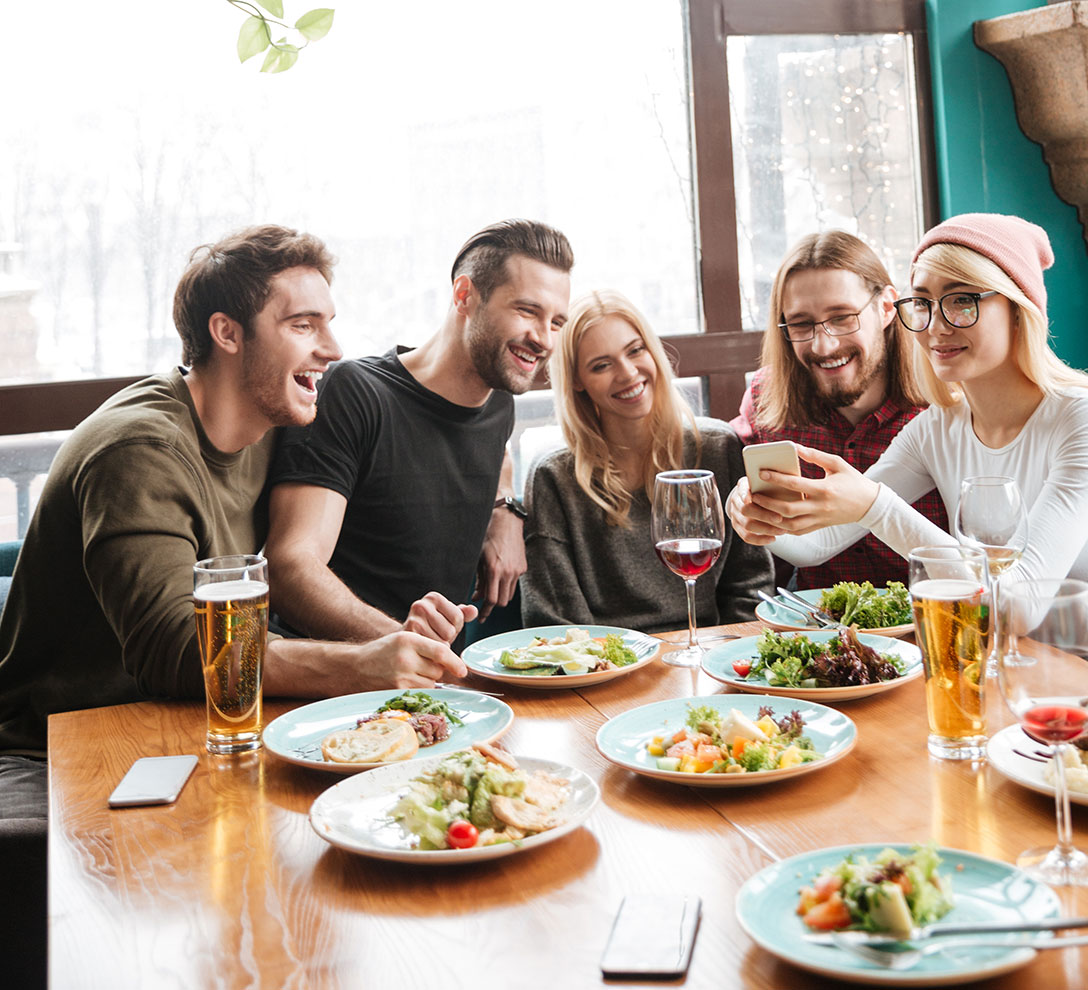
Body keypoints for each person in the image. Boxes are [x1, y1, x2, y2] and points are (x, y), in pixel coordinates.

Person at [0, 224, 475, 987]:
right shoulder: (139, 449)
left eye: (328, 321)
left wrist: (506, 507)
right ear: (226, 333)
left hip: (188, 733)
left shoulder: (267, 429)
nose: (330, 347)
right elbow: (173, 650)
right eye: (302, 324)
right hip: (59, 751)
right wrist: (361, 667)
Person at [728, 213, 1088, 705]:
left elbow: (1017, 604)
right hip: (1011, 671)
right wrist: (756, 514)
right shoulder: (937, 428)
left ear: (1018, 308)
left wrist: (875, 505)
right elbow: (820, 544)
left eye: (962, 300)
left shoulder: (1087, 420)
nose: (935, 325)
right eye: (924, 303)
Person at [264, 220, 573, 643]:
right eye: (527, 311)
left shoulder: (498, 402)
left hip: (438, 689)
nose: (544, 339)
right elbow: (289, 568)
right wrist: (401, 646)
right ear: (464, 295)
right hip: (335, 687)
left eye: (556, 322)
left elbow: (485, 451)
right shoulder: (355, 393)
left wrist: (504, 511)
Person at [521, 289, 772, 632]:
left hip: (710, 658)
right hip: (607, 670)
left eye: (635, 350)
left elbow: (751, 591)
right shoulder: (553, 477)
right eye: (601, 365)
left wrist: (721, 662)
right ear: (577, 381)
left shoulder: (717, 448)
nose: (627, 373)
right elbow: (556, 622)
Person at [731, 231, 948, 590]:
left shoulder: (942, 404)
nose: (824, 345)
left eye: (843, 317)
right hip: (816, 628)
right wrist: (741, 507)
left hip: (933, 623)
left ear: (886, 308)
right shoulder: (767, 399)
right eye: (801, 324)